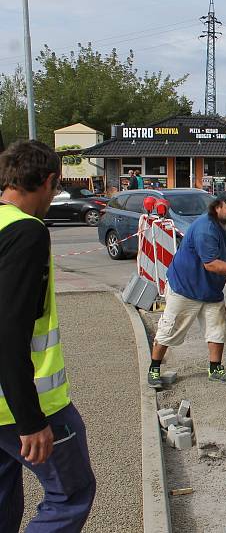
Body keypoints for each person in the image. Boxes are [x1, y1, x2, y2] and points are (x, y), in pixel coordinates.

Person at [0, 140, 96, 531]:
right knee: (70, 495)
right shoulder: (26, 232)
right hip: (24, 402)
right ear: (50, 180)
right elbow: (9, 330)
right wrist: (30, 420)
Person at [148, 190, 226, 388]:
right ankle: (154, 369)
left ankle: (215, 368)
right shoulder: (206, 228)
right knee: (169, 329)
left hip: (211, 289)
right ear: (218, 206)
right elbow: (211, 264)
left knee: (217, 328)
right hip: (185, 287)